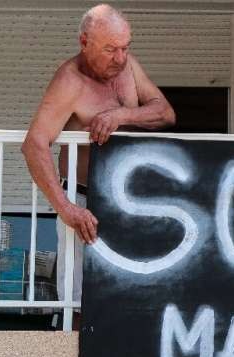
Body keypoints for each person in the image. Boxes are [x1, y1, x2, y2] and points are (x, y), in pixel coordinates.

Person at [21, 4, 176, 320]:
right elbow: (34, 144)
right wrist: (67, 209)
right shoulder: (69, 81)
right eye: (110, 50)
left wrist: (121, 115)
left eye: (125, 48)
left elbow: (165, 112)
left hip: (133, 201)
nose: (120, 58)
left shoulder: (127, 66)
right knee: (79, 299)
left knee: (137, 292)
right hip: (84, 203)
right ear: (83, 42)